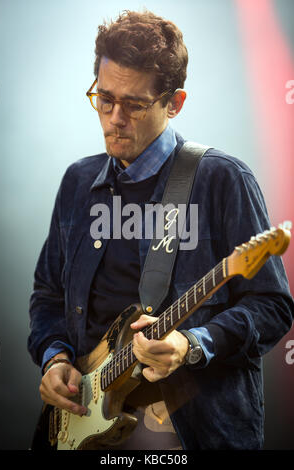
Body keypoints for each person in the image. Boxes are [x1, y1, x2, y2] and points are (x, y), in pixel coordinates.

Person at [28, 10, 293, 450]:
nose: (114, 118)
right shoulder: (78, 182)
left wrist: (191, 345)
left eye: (133, 105)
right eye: (104, 98)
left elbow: (272, 306)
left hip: (190, 432)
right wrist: (54, 358)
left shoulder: (222, 180)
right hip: (84, 428)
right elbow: (47, 296)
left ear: (175, 103)